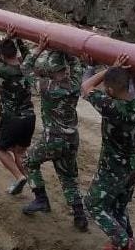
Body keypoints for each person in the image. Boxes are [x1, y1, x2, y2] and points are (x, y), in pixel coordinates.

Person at [81, 54, 135, 250]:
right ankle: (121, 245)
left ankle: (125, 242)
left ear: (110, 91)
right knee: (119, 206)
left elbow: (86, 86)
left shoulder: (110, 107)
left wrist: (110, 68)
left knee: (93, 204)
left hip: (112, 167)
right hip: (131, 166)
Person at [21, 35, 87, 231]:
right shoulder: (74, 83)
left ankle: (41, 199)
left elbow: (25, 68)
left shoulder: (47, 87)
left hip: (53, 138)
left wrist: (38, 49)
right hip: (71, 138)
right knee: (67, 176)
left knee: (29, 161)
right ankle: (79, 216)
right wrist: (68, 52)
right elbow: (76, 64)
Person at [0, 29, 36, 195]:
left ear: (3, 56)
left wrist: (8, 38)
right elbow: (27, 56)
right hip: (29, 117)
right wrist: (18, 40)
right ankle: (33, 184)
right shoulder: (26, 68)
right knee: (19, 151)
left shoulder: (2, 70)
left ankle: (19, 176)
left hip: (13, 119)